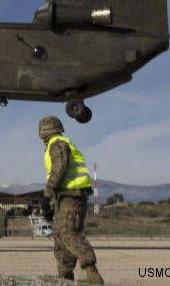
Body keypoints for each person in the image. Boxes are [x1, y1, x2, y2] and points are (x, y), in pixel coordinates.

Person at [39, 115, 104, 284]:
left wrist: (47, 195)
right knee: (61, 238)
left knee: (69, 233)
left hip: (72, 196)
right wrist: (52, 205)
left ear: (43, 133)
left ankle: (93, 275)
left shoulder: (57, 144)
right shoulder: (57, 144)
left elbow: (58, 170)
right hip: (64, 197)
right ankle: (64, 279)